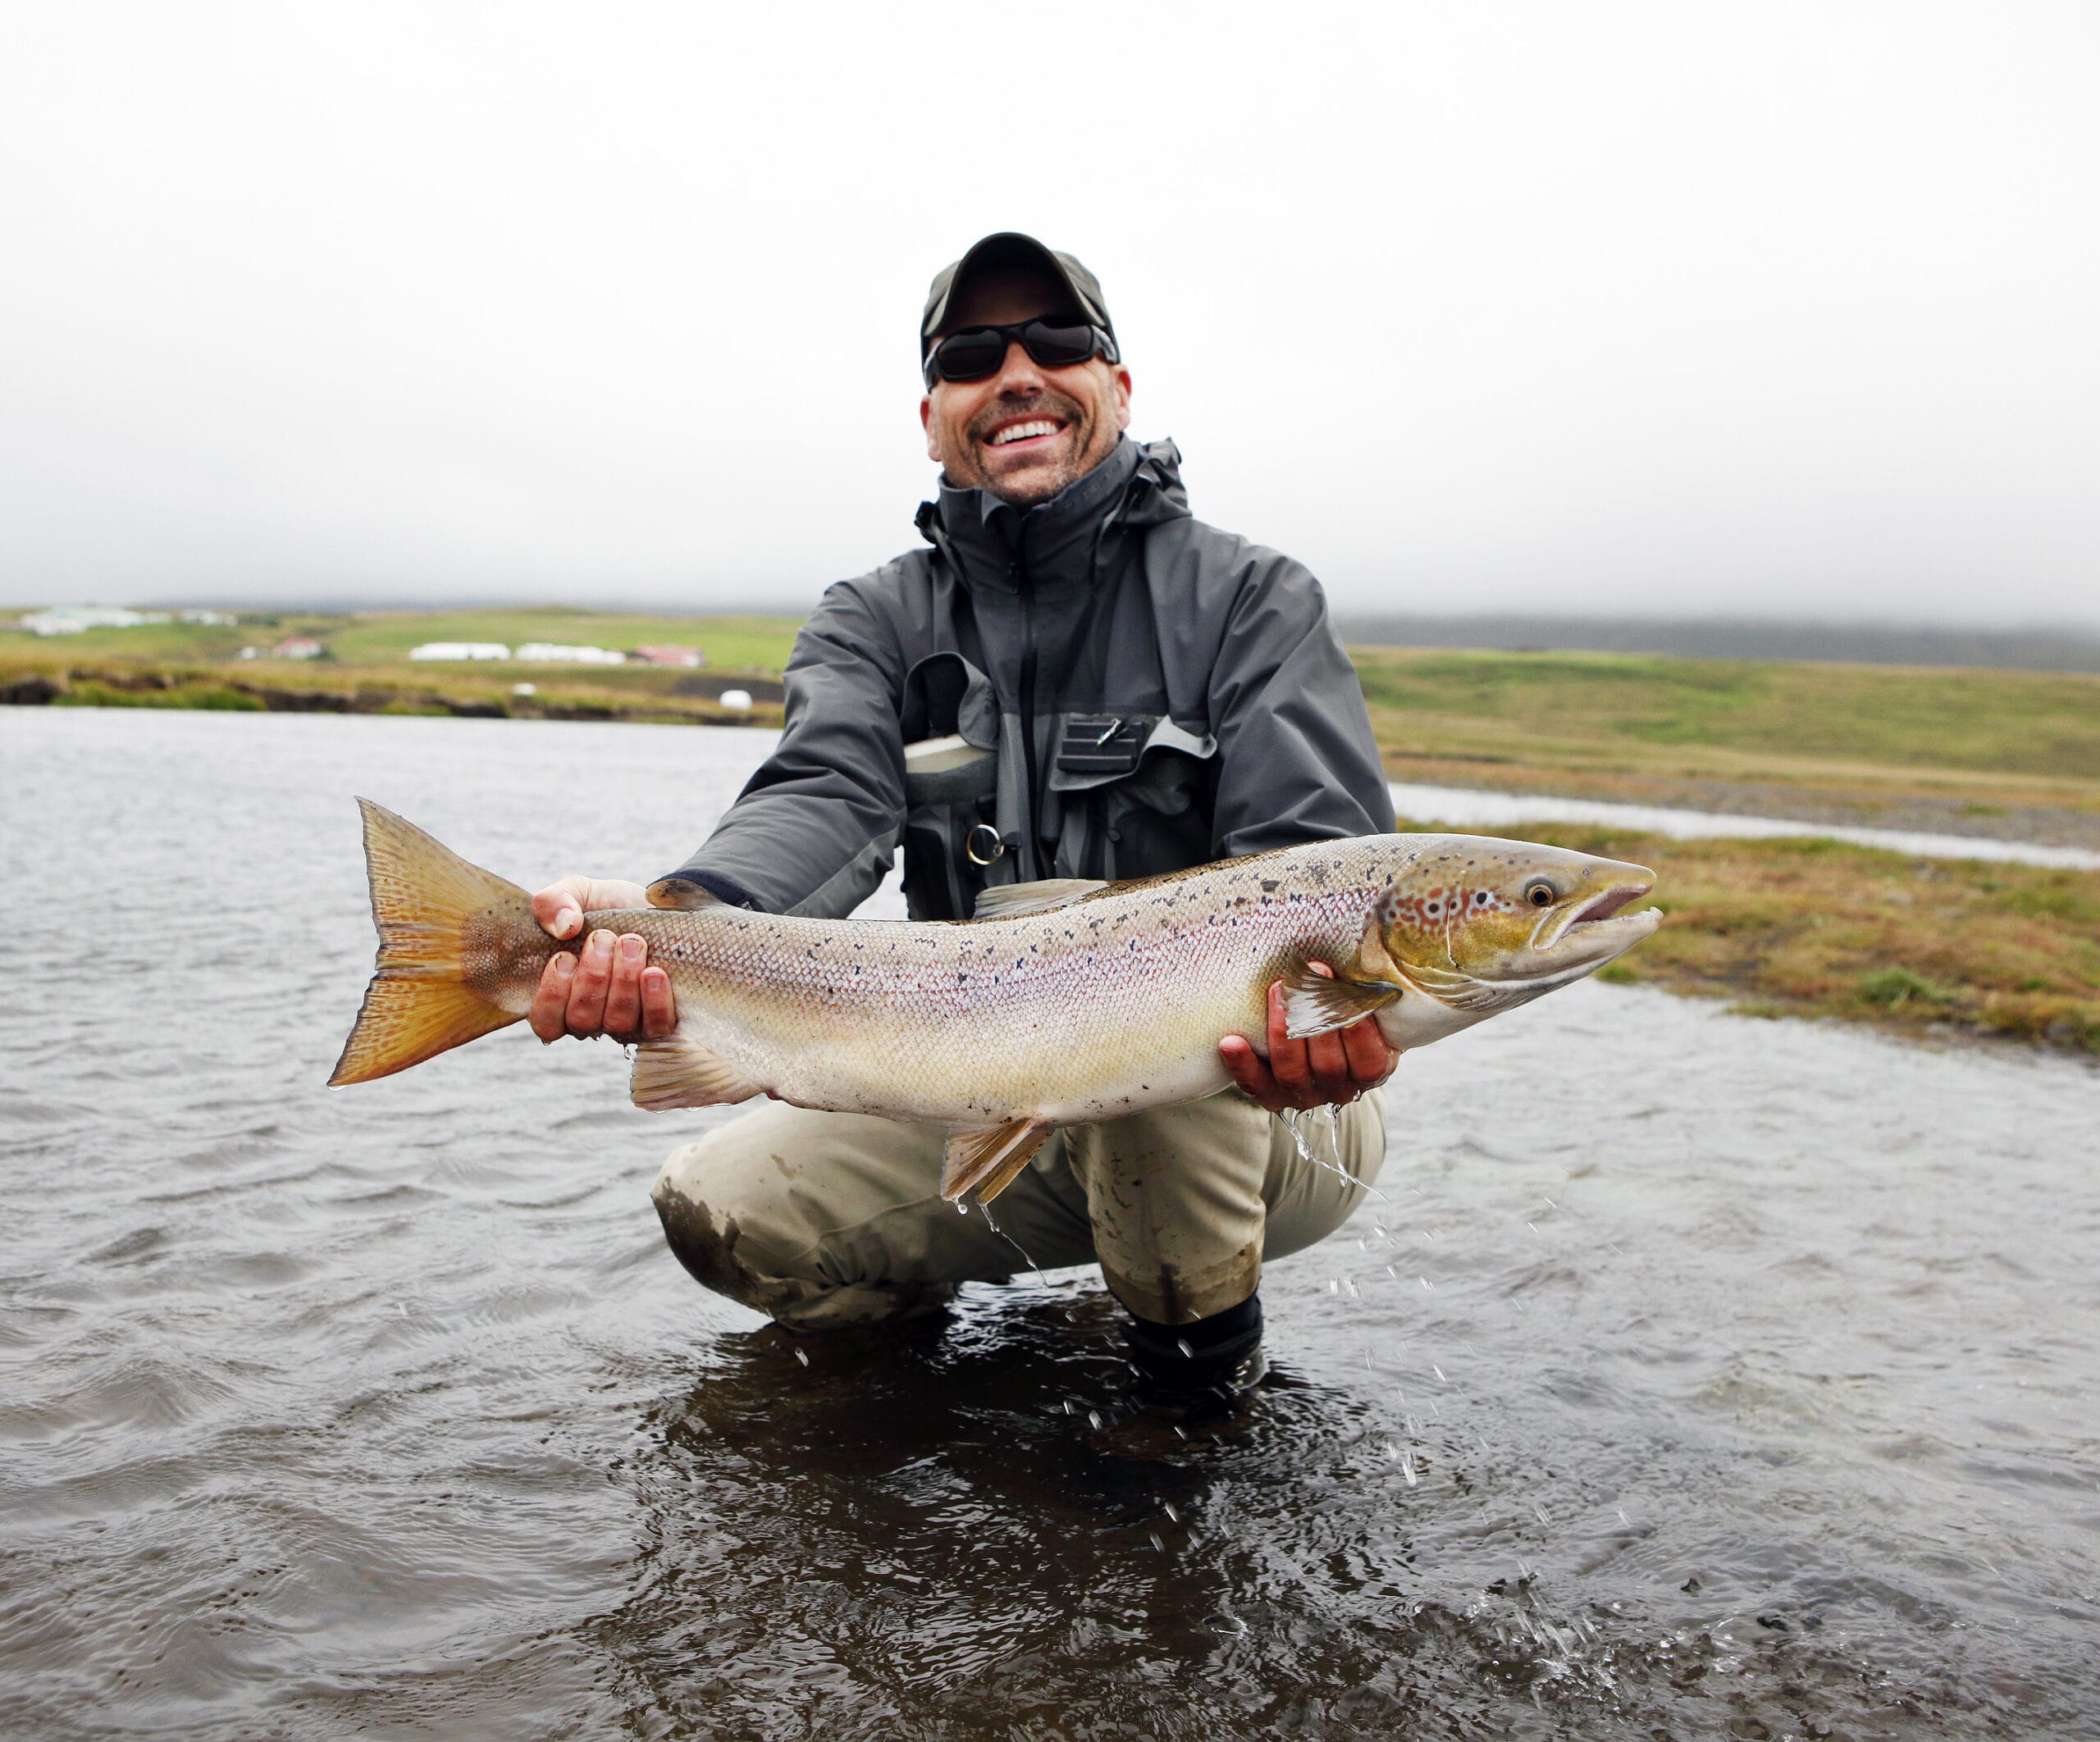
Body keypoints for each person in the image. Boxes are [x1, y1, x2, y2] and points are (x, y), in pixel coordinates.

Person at [528, 233, 1399, 1410]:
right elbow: (823, 795)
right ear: (934, 413)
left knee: (1150, 1052)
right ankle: (920, 1395)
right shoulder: (872, 619)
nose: (1019, 373)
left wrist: (1329, 1010)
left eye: (1058, 340)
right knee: (727, 1211)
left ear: (1119, 385)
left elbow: (1321, 866)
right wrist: (685, 919)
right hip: (977, 1085)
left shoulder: (1251, 599)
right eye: (974, 354)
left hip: (1264, 1105)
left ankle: (1189, 1408)